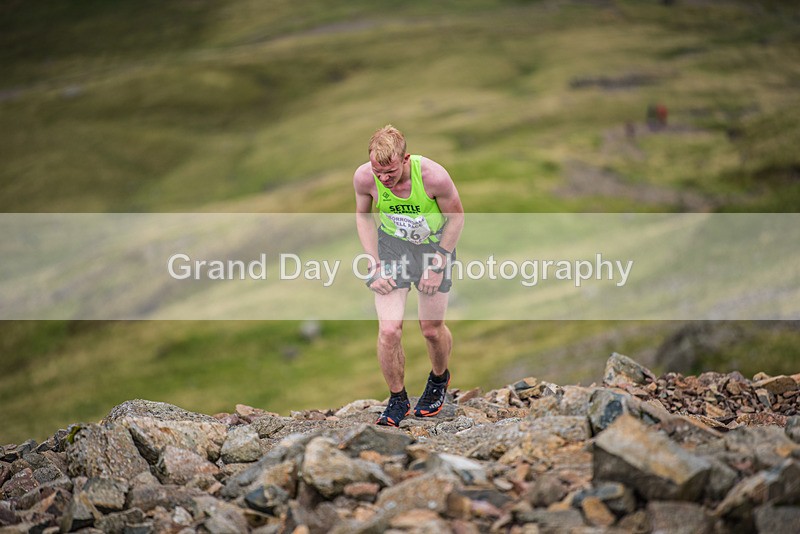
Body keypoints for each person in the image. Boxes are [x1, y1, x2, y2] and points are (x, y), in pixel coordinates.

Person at [353, 125, 465, 427]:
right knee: (389, 330)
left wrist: (439, 262)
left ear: (406, 159)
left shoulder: (433, 176)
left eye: (390, 172)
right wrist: (374, 264)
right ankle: (398, 398)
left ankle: (439, 379)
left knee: (431, 329)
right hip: (393, 248)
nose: (384, 179)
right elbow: (363, 216)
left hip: (434, 247)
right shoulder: (365, 177)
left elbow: (457, 218)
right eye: (379, 171)